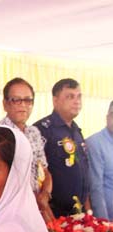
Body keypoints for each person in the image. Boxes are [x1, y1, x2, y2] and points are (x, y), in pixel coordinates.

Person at [0, 77, 55, 223]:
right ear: (5, 104)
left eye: (28, 100)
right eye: (16, 100)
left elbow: (44, 170)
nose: (23, 105)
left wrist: (45, 194)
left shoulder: (34, 132)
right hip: (9, 213)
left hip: (37, 209)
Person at [35, 78, 90, 218]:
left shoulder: (77, 131)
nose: (77, 101)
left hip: (78, 213)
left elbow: (83, 171)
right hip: (54, 214)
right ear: (55, 100)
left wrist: (88, 210)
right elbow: (37, 177)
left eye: (79, 96)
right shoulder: (42, 130)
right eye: (70, 96)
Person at [86, 101, 113, 219]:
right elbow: (96, 187)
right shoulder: (95, 143)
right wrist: (104, 225)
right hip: (108, 219)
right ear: (107, 117)